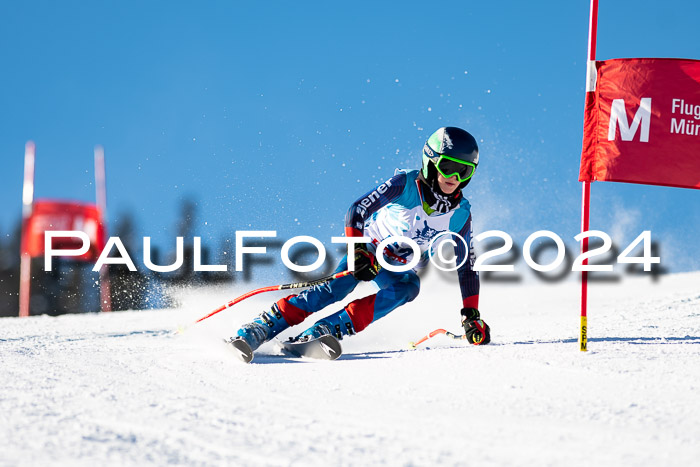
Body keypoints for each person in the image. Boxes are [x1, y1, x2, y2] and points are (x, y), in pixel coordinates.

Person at [231, 126, 490, 358]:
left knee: (409, 288)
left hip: (398, 268)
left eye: (463, 170)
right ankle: (261, 327)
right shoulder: (406, 185)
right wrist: (357, 252)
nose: (454, 177)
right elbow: (356, 210)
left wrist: (471, 315)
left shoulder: (461, 214)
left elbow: (466, 264)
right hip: (369, 250)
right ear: (431, 161)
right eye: (447, 167)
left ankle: (327, 329)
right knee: (336, 288)